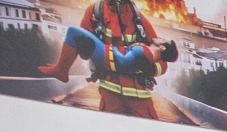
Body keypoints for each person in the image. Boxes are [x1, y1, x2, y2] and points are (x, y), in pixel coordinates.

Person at [37, 0, 175, 118]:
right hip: (110, 93)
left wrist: (150, 68)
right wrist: (86, 51)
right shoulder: (93, 13)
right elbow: (82, 47)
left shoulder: (138, 19)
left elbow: (163, 60)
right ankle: (61, 70)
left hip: (139, 96)